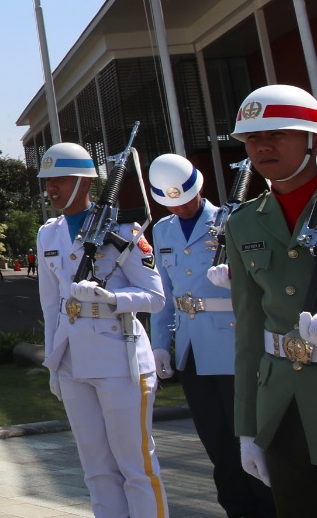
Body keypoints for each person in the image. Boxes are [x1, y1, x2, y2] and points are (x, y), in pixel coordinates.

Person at [36, 141, 168, 518]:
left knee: (136, 468)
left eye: (60, 179)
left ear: (84, 181)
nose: (52, 188)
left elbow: (155, 296)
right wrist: (53, 363)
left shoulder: (125, 230)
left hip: (120, 358)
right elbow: (50, 306)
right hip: (72, 361)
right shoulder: (49, 234)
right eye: (48, 180)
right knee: (96, 469)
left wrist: (113, 297)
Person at [148, 153, 275, 518]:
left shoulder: (233, 219)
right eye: (173, 202)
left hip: (235, 346)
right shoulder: (163, 230)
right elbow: (166, 293)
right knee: (218, 448)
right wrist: (160, 343)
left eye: (185, 198)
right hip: (192, 350)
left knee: (249, 444)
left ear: (198, 188)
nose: (182, 207)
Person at [220, 84, 317, 516]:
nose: (263, 146)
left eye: (277, 133)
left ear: (310, 139)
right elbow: (248, 330)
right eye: (253, 138)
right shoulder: (243, 224)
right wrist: (246, 427)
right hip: (282, 405)